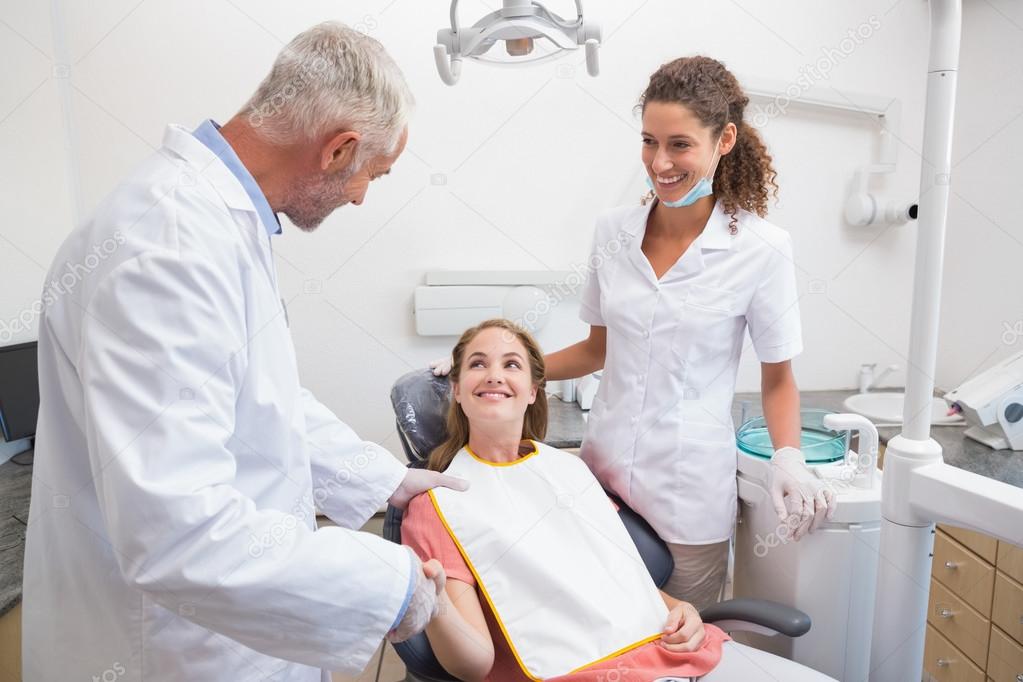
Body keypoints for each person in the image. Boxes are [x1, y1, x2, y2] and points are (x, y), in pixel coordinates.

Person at [22, 22, 464, 681]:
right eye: (372, 173)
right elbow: (176, 533)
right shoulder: (165, 246)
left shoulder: (212, 223)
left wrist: (386, 481)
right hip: (169, 649)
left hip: (219, 634)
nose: (361, 195)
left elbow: (262, 398)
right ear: (338, 149)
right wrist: (389, 584)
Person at [541, 56, 838, 610]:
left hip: (687, 496)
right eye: (650, 141)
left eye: (680, 144)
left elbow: (778, 379)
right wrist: (512, 367)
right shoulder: (614, 232)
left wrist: (789, 458)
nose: (660, 162)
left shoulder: (761, 248)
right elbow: (596, 349)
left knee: (677, 647)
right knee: (598, 631)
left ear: (724, 139)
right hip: (600, 475)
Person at [408, 319, 836, 682]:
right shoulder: (440, 503)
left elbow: (623, 579)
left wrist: (681, 609)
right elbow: (471, 665)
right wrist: (435, 600)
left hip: (674, 652)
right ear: (458, 390)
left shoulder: (568, 470)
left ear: (534, 389)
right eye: (477, 364)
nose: (494, 375)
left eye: (511, 364)